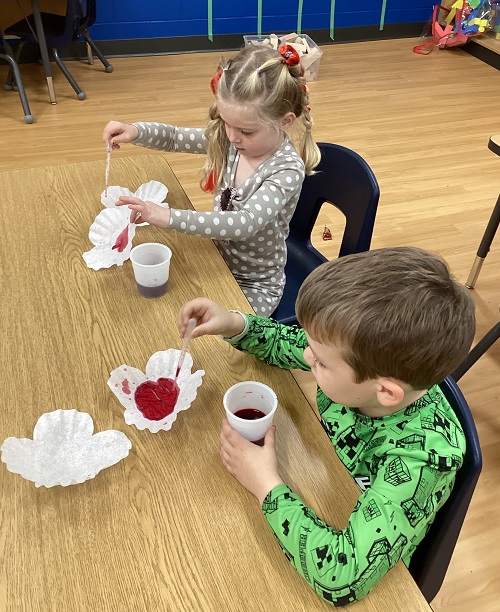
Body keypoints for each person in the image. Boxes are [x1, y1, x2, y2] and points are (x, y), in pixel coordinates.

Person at [177, 246, 476, 606]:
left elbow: (340, 576)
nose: (306, 356)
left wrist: (266, 484)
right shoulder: (356, 364)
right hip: (328, 486)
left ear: (385, 391)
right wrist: (235, 323)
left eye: (319, 362)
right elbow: (290, 344)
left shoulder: (424, 458)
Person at [102, 45, 321, 316]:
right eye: (227, 123)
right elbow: (173, 137)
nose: (232, 136)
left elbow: (243, 224)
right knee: (155, 308)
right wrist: (136, 131)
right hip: (215, 260)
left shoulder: (286, 169)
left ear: (285, 121)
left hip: (255, 286)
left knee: (212, 342)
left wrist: (167, 216)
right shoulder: (230, 139)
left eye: (246, 131)